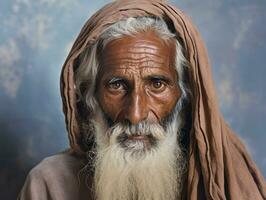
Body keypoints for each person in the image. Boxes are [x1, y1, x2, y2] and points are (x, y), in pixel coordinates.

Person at [18, 0, 266, 199]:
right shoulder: (49, 183)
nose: (135, 114)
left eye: (157, 84)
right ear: (90, 95)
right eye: (116, 85)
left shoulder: (223, 180)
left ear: (186, 93)